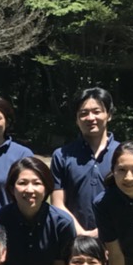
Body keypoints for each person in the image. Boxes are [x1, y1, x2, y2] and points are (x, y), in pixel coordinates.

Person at [0, 155, 75, 265]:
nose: (30, 190)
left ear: (46, 188)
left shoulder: (62, 223)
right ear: (12, 188)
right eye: (22, 183)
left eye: (37, 183)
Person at [51, 86, 119, 236]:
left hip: (115, 238)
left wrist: (102, 232)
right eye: (83, 113)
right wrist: (81, 233)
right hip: (73, 239)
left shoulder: (123, 154)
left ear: (109, 115)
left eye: (96, 111)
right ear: (76, 119)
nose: (90, 118)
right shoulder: (62, 155)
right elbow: (57, 203)